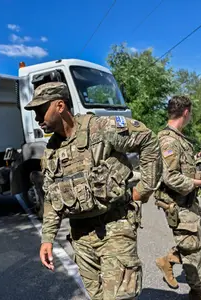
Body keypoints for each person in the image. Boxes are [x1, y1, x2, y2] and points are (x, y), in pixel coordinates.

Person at [24, 81, 162, 300]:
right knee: (97, 296)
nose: (37, 119)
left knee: (118, 297)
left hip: (114, 226)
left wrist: (144, 189)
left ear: (60, 106)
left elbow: (147, 139)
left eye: (41, 110)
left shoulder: (101, 128)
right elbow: (52, 196)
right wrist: (47, 238)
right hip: (81, 235)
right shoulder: (51, 152)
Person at [153, 95, 201, 300]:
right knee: (194, 249)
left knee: (197, 241)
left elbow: (182, 166)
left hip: (188, 201)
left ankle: (168, 260)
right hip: (178, 204)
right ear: (186, 112)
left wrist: (199, 159)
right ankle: (197, 294)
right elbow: (171, 177)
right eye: (190, 113)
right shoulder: (168, 140)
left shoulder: (179, 138)